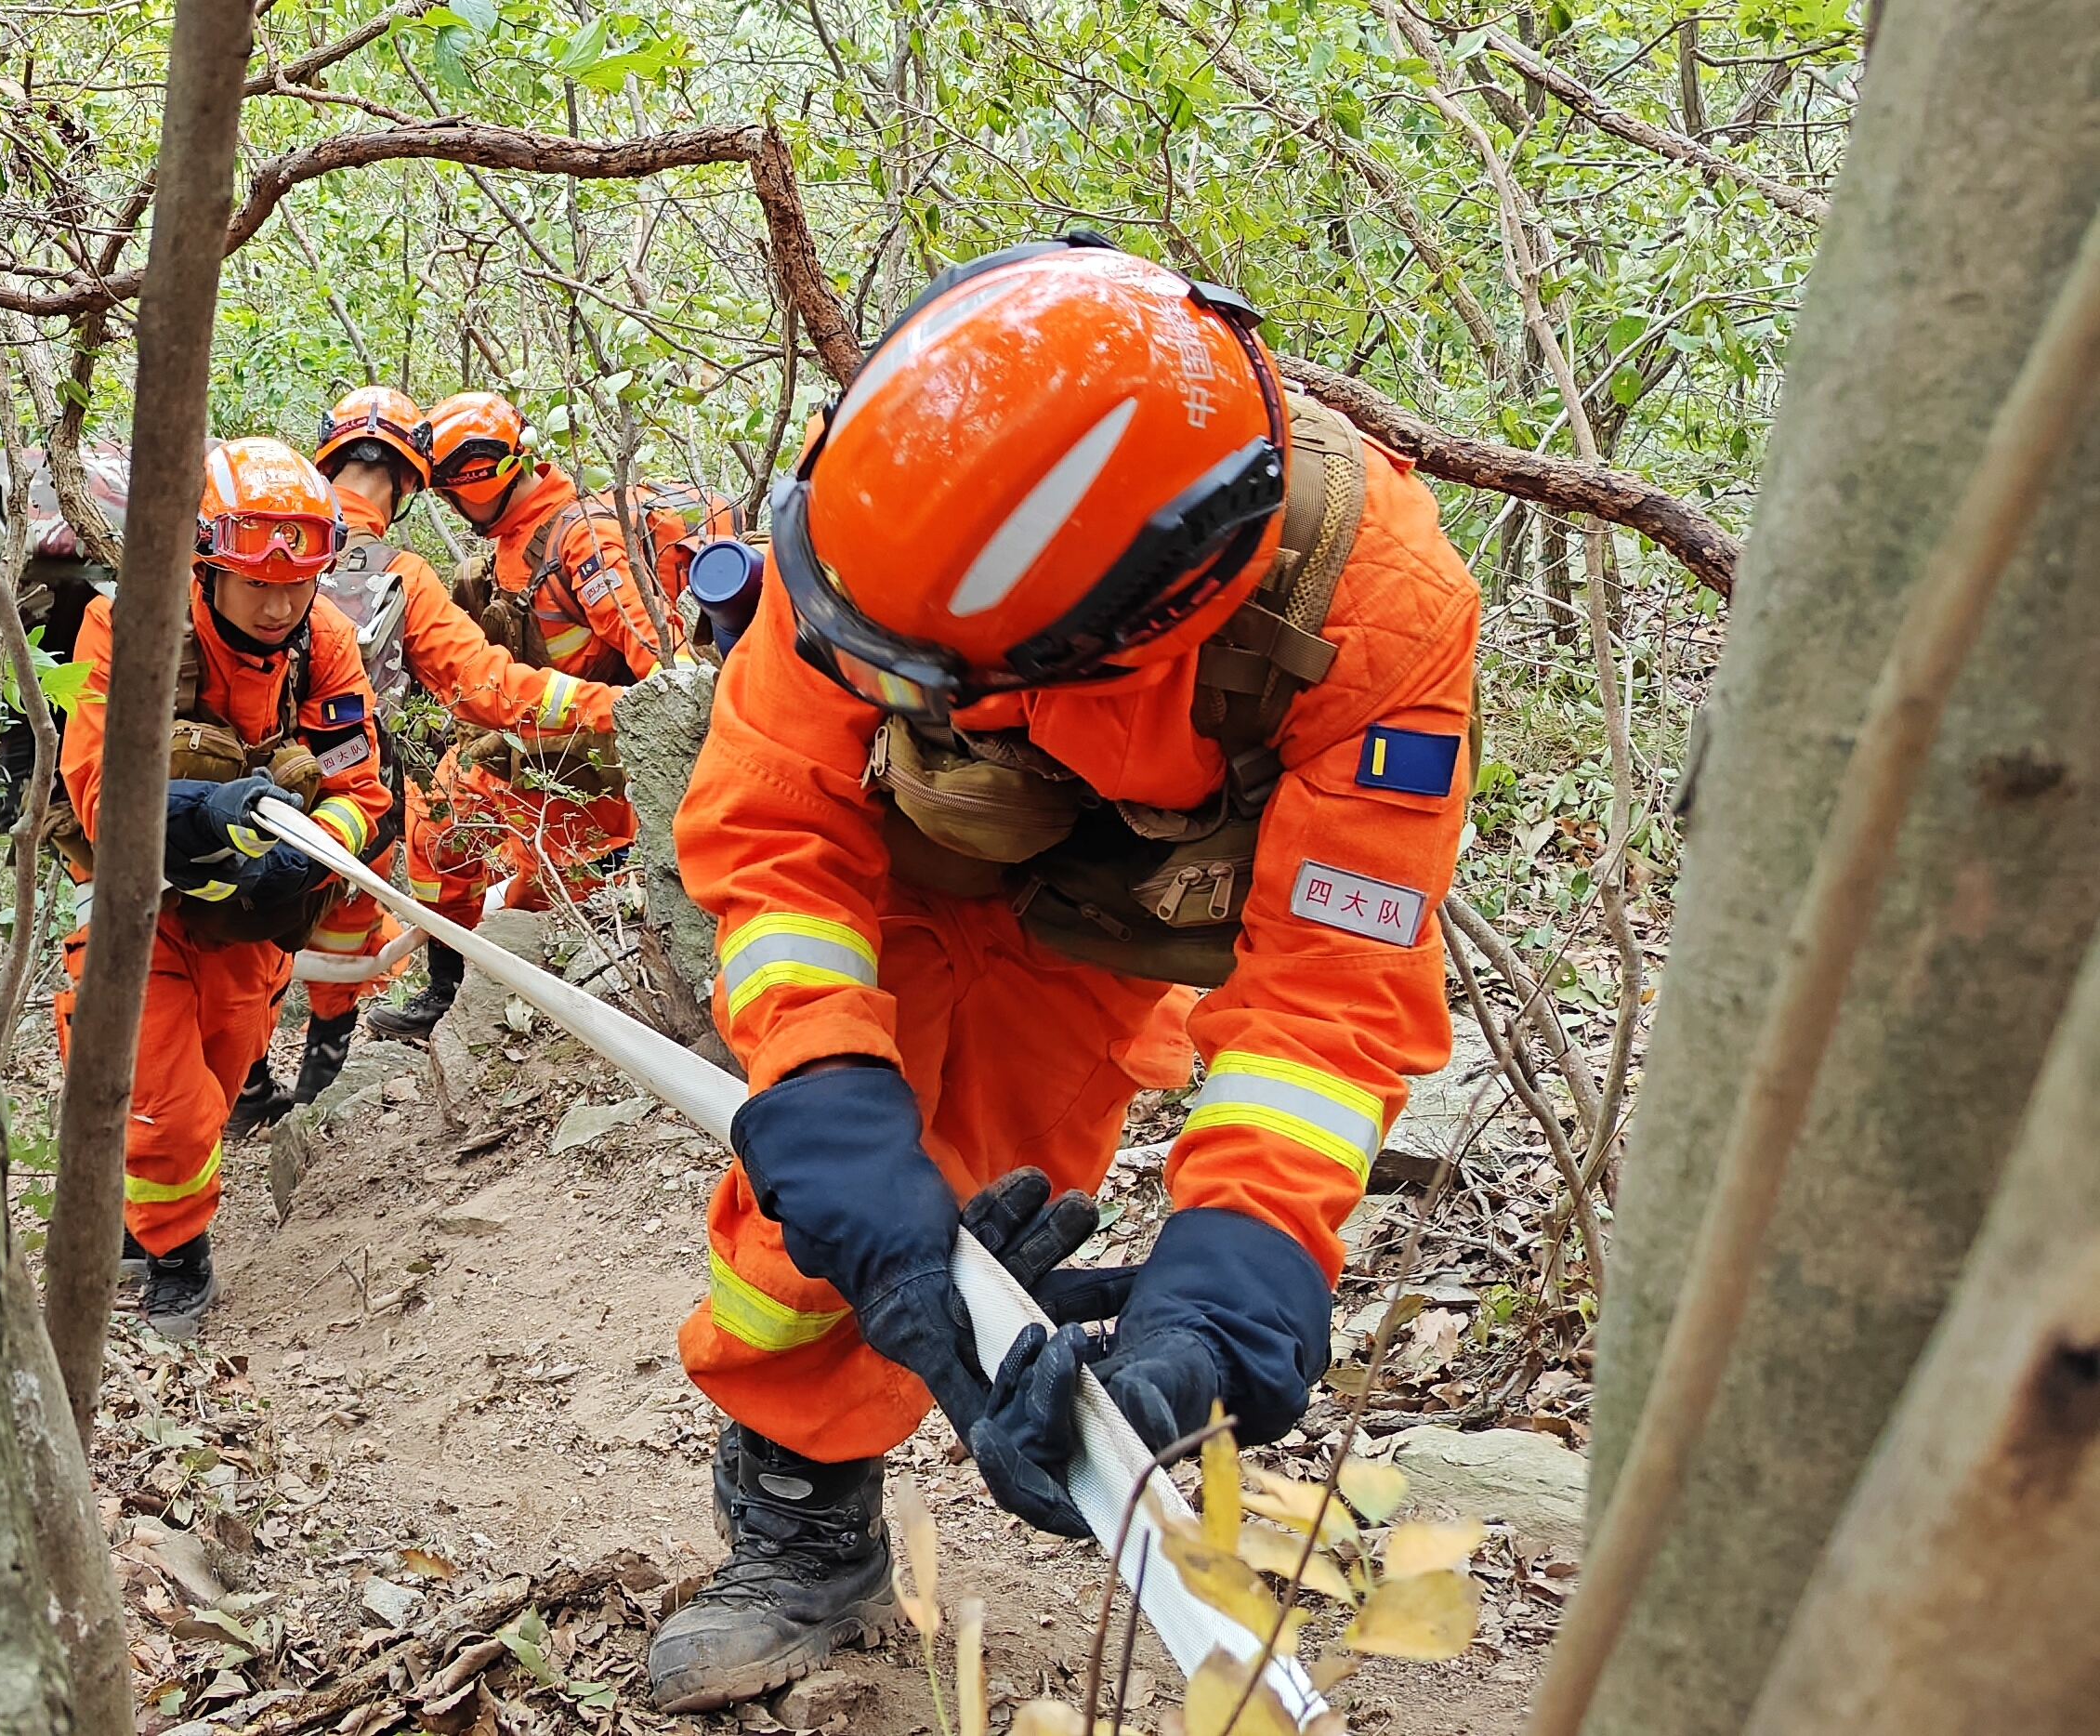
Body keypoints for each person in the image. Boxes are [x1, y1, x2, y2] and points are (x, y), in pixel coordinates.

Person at [649, 237, 1481, 1710]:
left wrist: (1226, 1296)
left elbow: (1331, 994)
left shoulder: (1378, 616)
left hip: (1105, 914)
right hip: (912, 861)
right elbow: (776, 816)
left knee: (1007, 1178)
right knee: (826, 1211)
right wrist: (827, 1093)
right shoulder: (887, 511)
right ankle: (800, 1515)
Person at [53, 437, 391, 1337]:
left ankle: (145, 1220)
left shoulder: (323, 642)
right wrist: (203, 809)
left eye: (296, 584)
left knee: (214, 1079)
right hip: (140, 907)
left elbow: (361, 790)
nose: (279, 605)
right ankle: (179, 1258)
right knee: (158, 1094)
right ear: (205, 564)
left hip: (249, 922)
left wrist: (310, 851)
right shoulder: (129, 625)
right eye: (256, 584)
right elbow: (97, 794)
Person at [225, 388, 628, 1112]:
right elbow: (487, 688)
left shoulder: (237, 536)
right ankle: (320, 1089)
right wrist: (617, 709)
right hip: (344, 792)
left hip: (220, 787)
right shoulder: (400, 575)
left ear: (324, 457)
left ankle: (247, 1089)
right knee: (344, 927)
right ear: (411, 483)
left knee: (234, 943)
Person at [364, 391, 676, 1040]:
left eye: (454, 490)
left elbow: (666, 670)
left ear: (487, 474)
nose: (452, 504)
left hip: (591, 760)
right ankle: (448, 987)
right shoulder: (511, 544)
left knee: (550, 896)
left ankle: (552, 1001)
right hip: (527, 744)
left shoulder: (585, 540)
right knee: (436, 825)